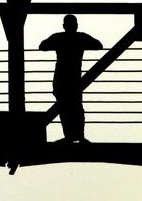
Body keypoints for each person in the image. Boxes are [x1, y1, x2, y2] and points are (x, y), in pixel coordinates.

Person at [40, 14, 102, 143]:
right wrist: (81, 44)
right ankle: (80, 136)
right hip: (74, 79)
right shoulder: (81, 37)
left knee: (64, 108)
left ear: (64, 26)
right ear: (76, 26)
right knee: (77, 107)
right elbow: (98, 45)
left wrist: (58, 45)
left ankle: (69, 136)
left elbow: (42, 46)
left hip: (61, 78)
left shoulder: (59, 37)